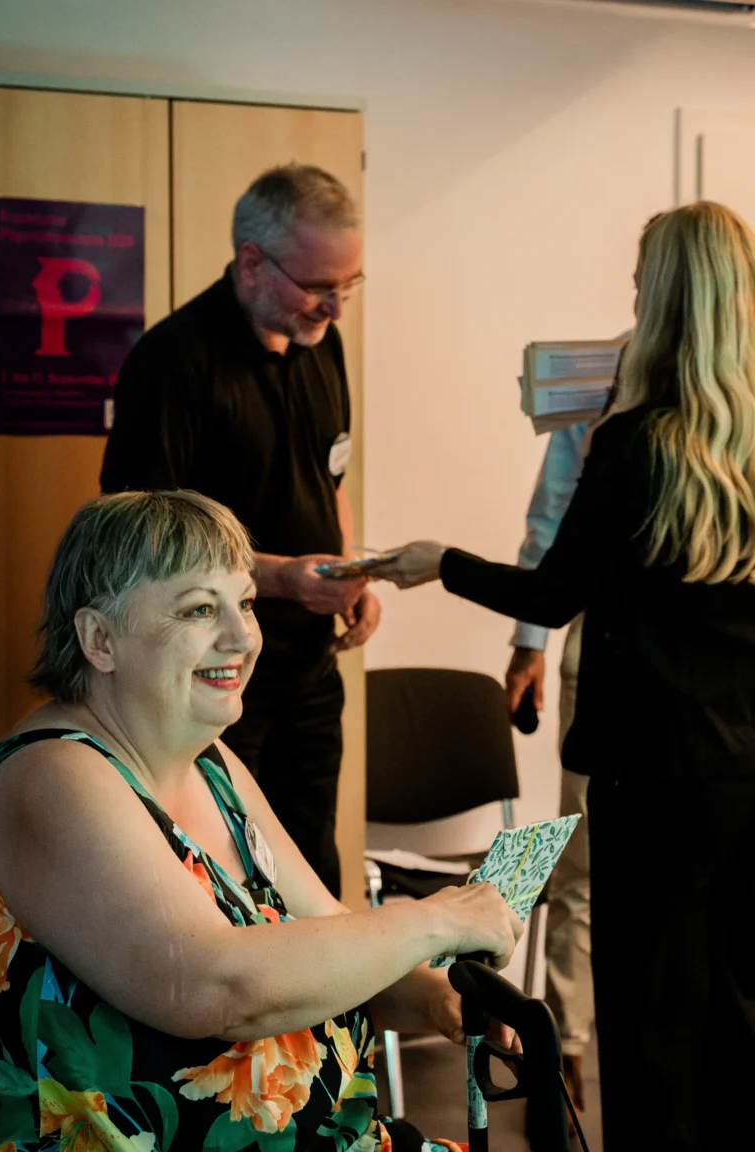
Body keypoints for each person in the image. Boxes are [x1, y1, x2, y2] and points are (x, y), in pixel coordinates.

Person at [374, 202, 755, 1151]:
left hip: (648, 777)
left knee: (649, 1025)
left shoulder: (637, 441)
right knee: (736, 1013)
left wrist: (440, 562)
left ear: (663, 297)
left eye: (639, 283)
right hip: (743, 776)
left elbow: (555, 589)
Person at [0, 489, 521, 1151]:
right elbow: (213, 986)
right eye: (199, 609)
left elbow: (329, 939)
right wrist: (435, 919)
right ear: (100, 639)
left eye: (244, 603)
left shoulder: (211, 762)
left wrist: (433, 997)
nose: (242, 637)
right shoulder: (50, 774)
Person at [100, 164, 380, 898]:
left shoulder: (321, 343)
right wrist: (282, 578)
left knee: (313, 870)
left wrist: (349, 573)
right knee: (229, 885)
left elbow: (332, 476)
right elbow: (146, 540)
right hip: (210, 678)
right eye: (318, 286)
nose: (335, 307)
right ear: (252, 262)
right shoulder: (173, 362)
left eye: (349, 284)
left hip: (309, 669)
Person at [506, 214, 663, 1119]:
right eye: (637, 278)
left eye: (651, 277)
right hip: (601, 651)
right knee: (583, 861)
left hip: (716, 675)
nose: (639, 293)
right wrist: (529, 642)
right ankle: (566, 1046)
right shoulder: (600, 374)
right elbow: (552, 516)